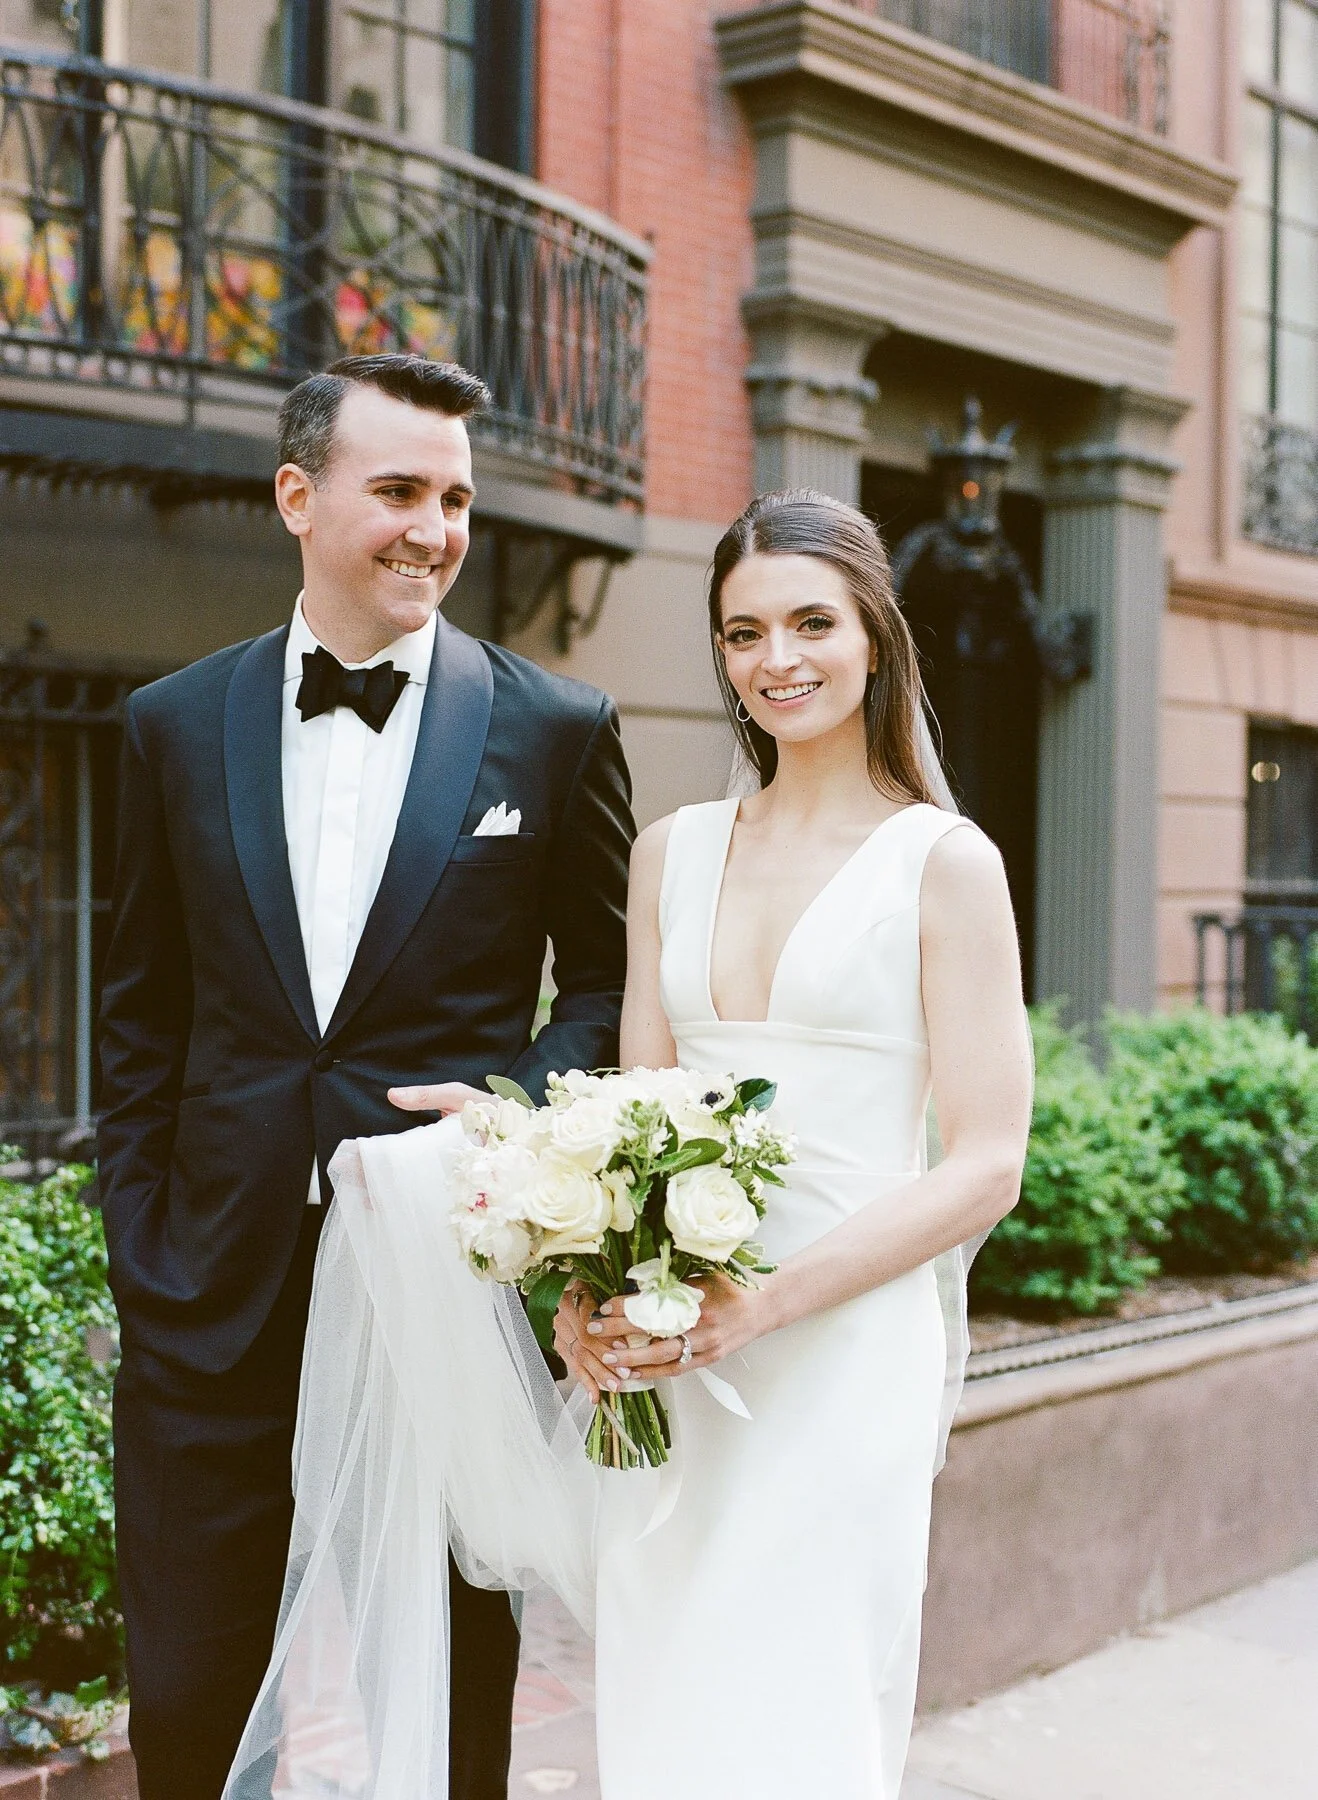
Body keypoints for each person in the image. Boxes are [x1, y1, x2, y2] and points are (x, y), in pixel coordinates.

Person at [96, 352, 634, 1800]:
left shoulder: (557, 728)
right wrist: (139, 1238)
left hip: (438, 1280)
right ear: (296, 496)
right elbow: (139, 1012)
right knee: (193, 1691)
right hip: (209, 1278)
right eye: (398, 489)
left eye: (456, 497)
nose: (435, 528)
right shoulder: (166, 725)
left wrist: (513, 1112)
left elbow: (607, 987)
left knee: (450, 1689)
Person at [556, 488, 1033, 1799]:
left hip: (841, 1343)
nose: (778, 660)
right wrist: (590, 1300)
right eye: (742, 632)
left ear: (873, 637)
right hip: (678, 1336)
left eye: (811, 623)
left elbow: (987, 1158)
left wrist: (764, 1304)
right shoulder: (670, 852)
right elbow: (637, 1116)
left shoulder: (944, 864)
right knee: (665, 1671)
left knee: (805, 1686)